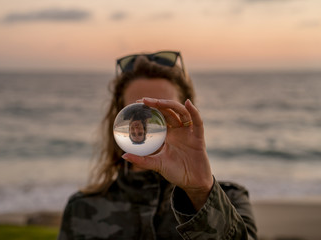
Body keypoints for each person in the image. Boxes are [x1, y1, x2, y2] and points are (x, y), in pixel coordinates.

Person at [58, 51, 258, 239]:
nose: (147, 123)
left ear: (186, 117)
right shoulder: (81, 209)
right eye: (136, 112)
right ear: (119, 120)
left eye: (162, 113)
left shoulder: (229, 201)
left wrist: (200, 193)